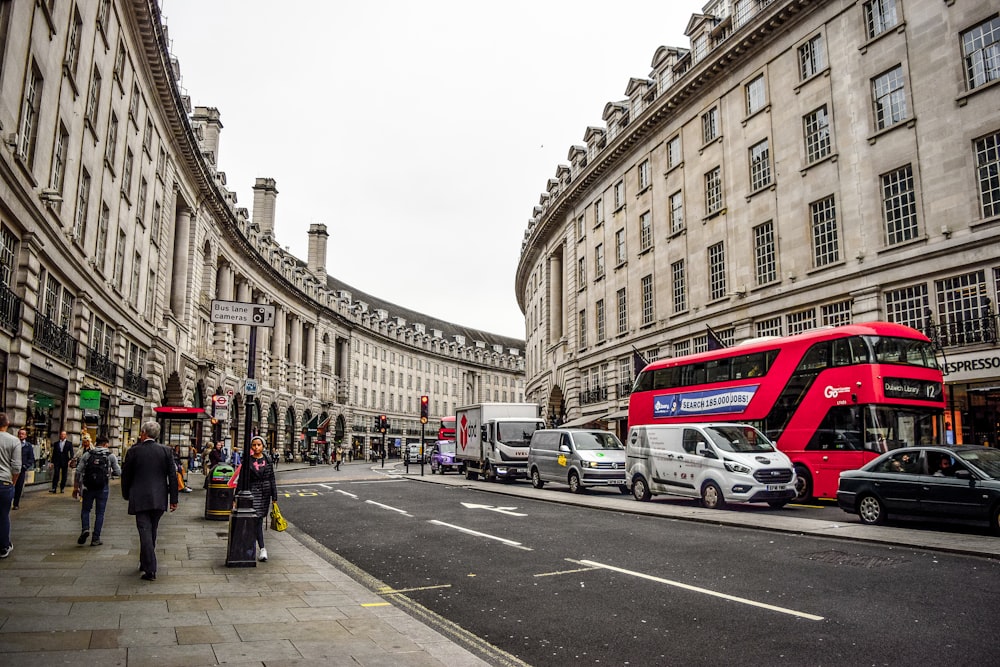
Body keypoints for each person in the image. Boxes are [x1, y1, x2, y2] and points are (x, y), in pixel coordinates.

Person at [121, 420, 178, 580]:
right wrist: (173, 499)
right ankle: (144, 560)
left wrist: (126, 494)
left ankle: (150, 568)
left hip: (139, 497)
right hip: (159, 497)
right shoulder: (166, 451)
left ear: (144, 433)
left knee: (145, 531)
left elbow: (126, 476)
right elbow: (172, 476)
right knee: (151, 530)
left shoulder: (134, 451)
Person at [72, 435, 120, 546]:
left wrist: (76, 488)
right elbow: (118, 472)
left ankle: (85, 528)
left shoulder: (88, 454)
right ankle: (96, 538)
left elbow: (78, 471)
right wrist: (108, 473)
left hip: (88, 487)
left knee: (86, 510)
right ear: (106, 444)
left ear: (96, 443)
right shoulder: (110, 456)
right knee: (100, 513)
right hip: (103, 488)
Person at [247, 435, 277, 562]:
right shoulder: (247, 460)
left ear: (263, 446)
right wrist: (235, 497)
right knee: (255, 521)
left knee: (258, 520)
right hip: (252, 492)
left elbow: (272, 478)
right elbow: (244, 480)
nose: (256, 447)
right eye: (254, 445)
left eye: (258, 445)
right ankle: (261, 548)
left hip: (265, 493)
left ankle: (257, 548)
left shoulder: (268, 460)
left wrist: (274, 497)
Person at [0, 414, 21, 558]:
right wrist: (12, 483)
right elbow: (16, 467)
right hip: (4, 483)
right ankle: (3, 546)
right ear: (7, 424)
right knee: (3, 516)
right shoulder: (14, 441)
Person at [13, 429, 35, 510]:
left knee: (19, 487)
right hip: (12, 468)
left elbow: (31, 458)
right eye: (19, 434)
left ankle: (16, 503)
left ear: (25, 436)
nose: (21, 435)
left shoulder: (28, 446)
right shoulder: (14, 444)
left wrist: (25, 466)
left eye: (22, 434)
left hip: (21, 469)